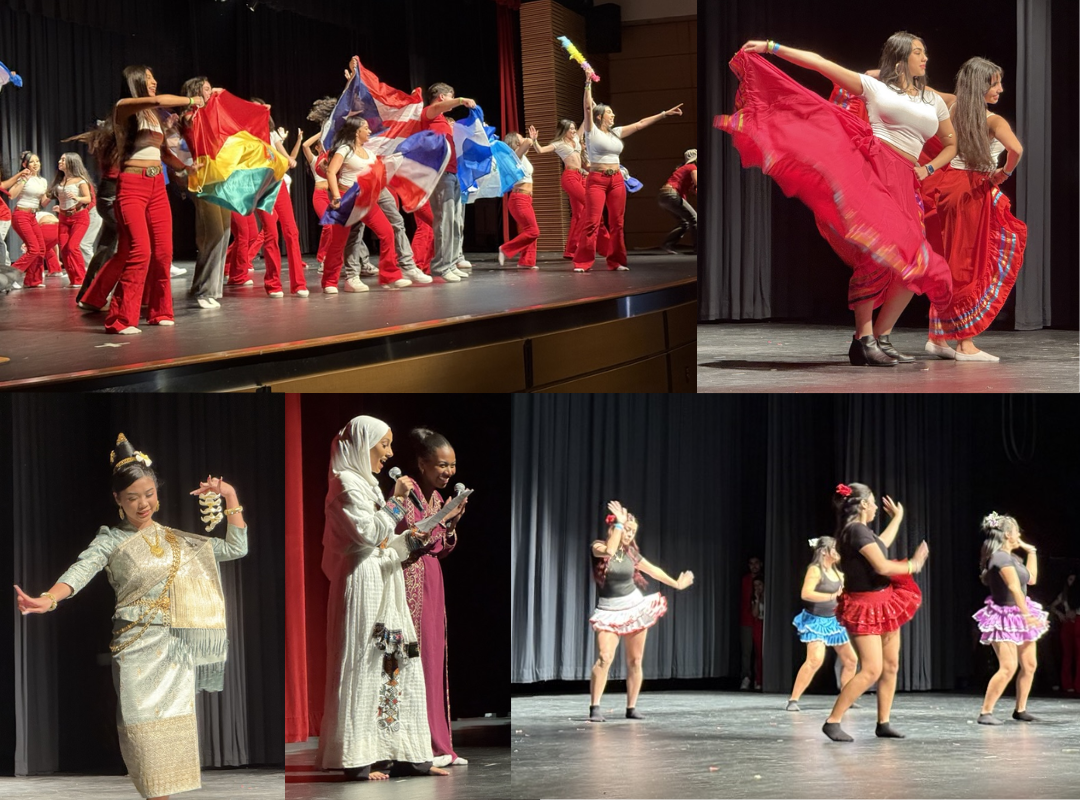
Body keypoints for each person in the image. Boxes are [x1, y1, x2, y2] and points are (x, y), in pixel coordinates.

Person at [14, 433, 248, 799]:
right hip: (136, 648)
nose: (143, 504)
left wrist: (230, 496)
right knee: (142, 735)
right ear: (117, 501)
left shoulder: (175, 539)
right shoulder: (111, 539)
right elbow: (81, 569)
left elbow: (236, 547)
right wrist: (49, 598)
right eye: (133, 498)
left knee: (171, 738)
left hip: (174, 650)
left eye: (149, 493)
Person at [719, 34, 956, 365]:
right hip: (874, 171)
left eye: (925, 51)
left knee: (913, 263)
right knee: (875, 254)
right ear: (900, 59)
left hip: (907, 180)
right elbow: (820, 62)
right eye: (918, 52)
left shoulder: (935, 101)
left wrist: (928, 167)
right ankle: (864, 338)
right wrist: (772, 47)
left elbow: (951, 144)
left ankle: (881, 337)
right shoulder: (876, 88)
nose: (925, 57)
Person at [317, 415, 451, 780]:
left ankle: (403, 752)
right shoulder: (346, 483)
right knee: (364, 658)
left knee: (396, 656)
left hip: (384, 576)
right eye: (384, 444)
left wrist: (414, 538)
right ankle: (358, 757)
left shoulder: (368, 485)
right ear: (363, 444)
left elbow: (382, 539)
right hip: (362, 581)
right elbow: (363, 534)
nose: (389, 454)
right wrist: (396, 504)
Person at [920, 58, 1026, 362]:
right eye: (994, 83)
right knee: (966, 264)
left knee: (947, 260)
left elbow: (918, 89)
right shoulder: (993, 121)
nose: (1000, 89)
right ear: (980, 86)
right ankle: (965, 344)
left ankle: (937, 337)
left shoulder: (950, 103)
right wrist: (1003, 174)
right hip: (971, 191)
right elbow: (1016, 150)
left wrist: (881, 77)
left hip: (946, 188)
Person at [88, 65, 202, 333]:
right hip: (132, 186)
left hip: (156, 187)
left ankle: (160, 311)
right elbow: (159, 99)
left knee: (163, 253)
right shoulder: (124, 106)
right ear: (136, 81)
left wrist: (185, 167)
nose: (154, 81)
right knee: (140, 251)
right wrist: (193, 100)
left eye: (154, 77)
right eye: (149, 78)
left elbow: (162, 153)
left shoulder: (154, 117)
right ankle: (120, 319)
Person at [822, 482, 928, 742]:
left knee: (890, 665)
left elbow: (880, 545)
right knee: (871, 669)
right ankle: (833, 721)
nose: (876, 508)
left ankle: (883, 722)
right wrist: (914, 564)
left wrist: (898, 518)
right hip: (864, 605)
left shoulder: (860, 531)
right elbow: (882, 566)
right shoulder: (856, 531)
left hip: (883, 601)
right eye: (873, 502)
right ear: (863, 504)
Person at [398, 428, 469, 767]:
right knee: (412, 658)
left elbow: (441, 549)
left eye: (452, 466)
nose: (448, 472)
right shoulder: (403, 492)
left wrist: (451, 525)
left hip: (432, 580)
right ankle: (413, 745)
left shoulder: (440, 499)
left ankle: (438, 743)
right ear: (421, 463)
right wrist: (427, 531)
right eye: (442, 465)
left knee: (432, 658)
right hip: (408, 578)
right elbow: (395, 541)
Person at [588, 500, 694, 721]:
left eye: (631, 531)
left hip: (634, 606)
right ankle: (595, 707)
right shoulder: (597, 547)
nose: (628, 534)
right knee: (605, 657)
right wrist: (619, 523)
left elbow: (653, 570)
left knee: (635, 660)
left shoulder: (631, 555)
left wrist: (676, 583)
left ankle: (631, 707)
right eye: (626, 529)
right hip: (609, 610)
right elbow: (609, 549)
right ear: (614, 527)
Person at [574, 78, 683, 273]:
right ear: (599, 117)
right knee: (592, 221)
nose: (613, 115)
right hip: (597, 180)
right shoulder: (591, 132)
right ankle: (583, 262)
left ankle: (616, 261)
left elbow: (640, 124)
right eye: (609, 112)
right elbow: (588, 109)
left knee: (617, 223)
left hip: (616, 180)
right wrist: (588, 85)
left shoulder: (615, 133)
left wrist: (664, 114)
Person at [973, 512, 1049, 724]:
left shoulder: (1013, 558)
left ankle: (1020, 709)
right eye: (1016, 532)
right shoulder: (999, 557)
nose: (1019, 535)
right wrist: (1026, 615)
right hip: (1004, 615)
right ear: (1007, 534)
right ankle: (985, 712)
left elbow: (1031, 580)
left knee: (1030, 664)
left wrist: (1031, 552)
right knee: (1008, 666)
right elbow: (1014, 587)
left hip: (1019, 612)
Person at [324, 118, 407, 291]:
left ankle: (390, 275)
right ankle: (330, 282)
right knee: (338, 242)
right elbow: (331, 171)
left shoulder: (369, 153)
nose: (369, 131)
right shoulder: (345, 149)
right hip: (347, 199)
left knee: (387, 233)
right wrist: (336, 197)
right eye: (366, 128)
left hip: (366, 200)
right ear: (356, 132)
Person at [786, 537, 858, 711]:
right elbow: (806, 594)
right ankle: (793, 700)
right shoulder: (815, 570)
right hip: (816, 621)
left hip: (834, 621)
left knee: (851, 660)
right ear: (825, 551)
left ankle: (846, 698)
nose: (838, 551)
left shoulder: (838, 573)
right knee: (815, 660)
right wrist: (832, 596)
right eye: (835, 548)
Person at [527, 119, 610, 260]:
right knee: (592, 205)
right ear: (564, 130)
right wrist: (534, 140)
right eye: (570, 129)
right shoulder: (558, 144)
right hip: (570, 178)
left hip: (581, 176)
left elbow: (585, 123)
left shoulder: (577, 139)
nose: (573, 131)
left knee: (578, 215)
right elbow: (540, 150)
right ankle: (595, 246)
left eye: (574, 128)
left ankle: (571, 250)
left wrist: (590, 108)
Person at [422, 82, 476, 283]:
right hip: (440, 174)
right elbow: (435, 108)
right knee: (444, 220)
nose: (454, 100)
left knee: (454, 222)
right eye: (452, 96)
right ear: (443, 97)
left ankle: (451, 262)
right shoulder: (431, 112)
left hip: (453, 173)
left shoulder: (443, 120)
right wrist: (462, 100)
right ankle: (441, 266)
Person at [50, 152, 94, 288]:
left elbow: (88, 199)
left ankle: (82, 278)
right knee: (64, 249)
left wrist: (77, 198)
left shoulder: (80, 181)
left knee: (73, 246)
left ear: (71, 162)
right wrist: (61, 208)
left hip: (79, 217)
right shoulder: (60, 180)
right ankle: (74, 279)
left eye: (63, 159)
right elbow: (61, 198)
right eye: (60, 159)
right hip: (63, 217)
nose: (59, 161)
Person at [497, 132, 540, 269]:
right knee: (533, 231)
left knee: (529, 231)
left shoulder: (521, 157)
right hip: (519, 198)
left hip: (525, 198)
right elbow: (527, 143)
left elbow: (528, 144)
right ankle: (505, 249)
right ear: (516, 142)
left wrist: (531, 140)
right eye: (520, 137)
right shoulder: (514, 156)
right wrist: (529, 139)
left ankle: (526, 262)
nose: (523, 138)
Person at [7, 151, 49, 287]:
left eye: (37, 161)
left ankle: (33, 280)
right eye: (32, 162)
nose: (35, 164)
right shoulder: (23, 178)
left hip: (33, 216)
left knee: (41, 249)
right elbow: (11, 195)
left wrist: (57, 193)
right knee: (33, 249)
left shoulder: (43, 181)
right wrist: (24, 179)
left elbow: (43, 202)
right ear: (25, 164)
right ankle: (9, 277)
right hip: (21, 215)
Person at [657, 149, 697, 254]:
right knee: (694, 218)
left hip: (664, 195)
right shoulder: (692, 167)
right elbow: (697, 183)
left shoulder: (683, 168)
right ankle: (698, 248)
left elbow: (693, 189)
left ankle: (667, 244)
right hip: (671, 194)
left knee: (684, 223)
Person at [1049, 572, 1080, 693]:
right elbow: (1052, 606)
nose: (1070, 582)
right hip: (1067, 624)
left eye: (1073, 579)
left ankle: (1077, 685)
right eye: (1069, 579)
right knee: (1067, 655)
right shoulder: (1064, 594)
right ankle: (1067, 684)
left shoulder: (1076, 593)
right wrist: (1059, 613)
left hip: (1077, 621)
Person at [739, 555, 763, 690]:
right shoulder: (745, 580)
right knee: (746, 651)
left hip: (760, 620)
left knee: (760, 652)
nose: (754, 566)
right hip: (747, 619)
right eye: (751, 563)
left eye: (756, 563)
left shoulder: (765, 579)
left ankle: (759, 679)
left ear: (761, 564)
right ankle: (746, 677)